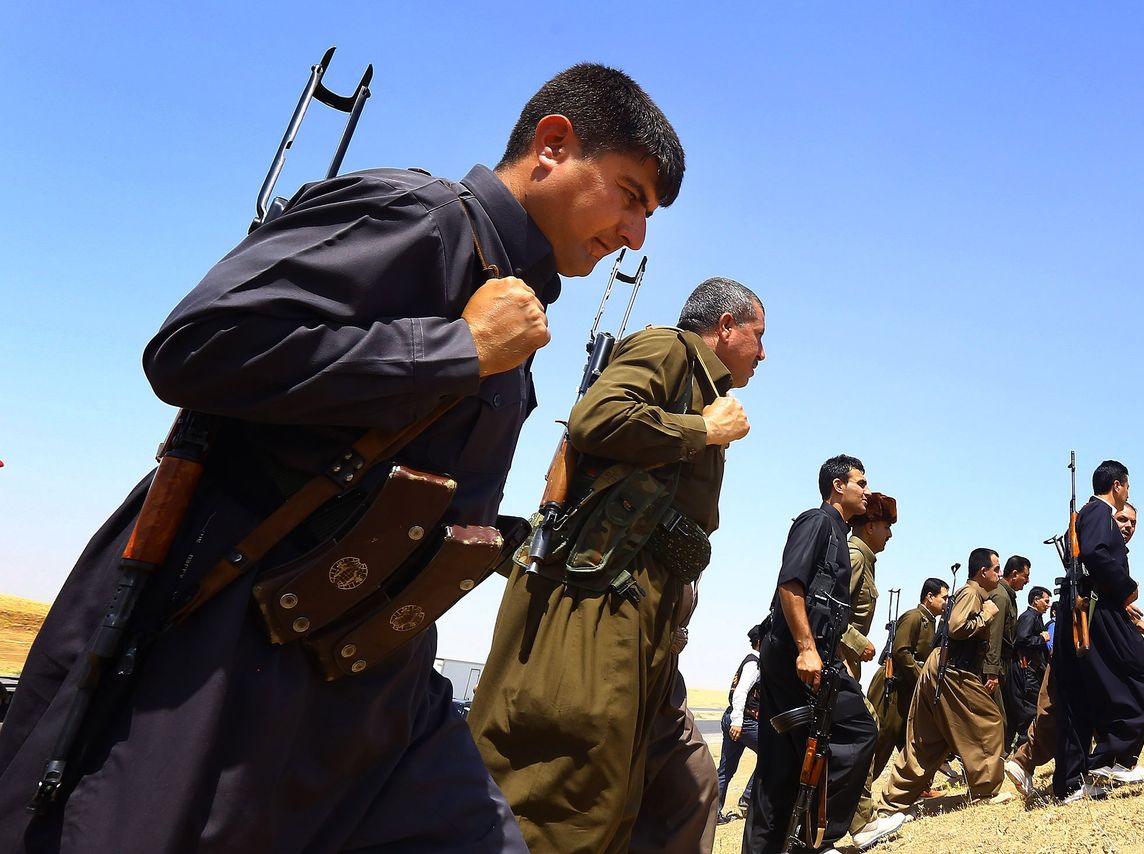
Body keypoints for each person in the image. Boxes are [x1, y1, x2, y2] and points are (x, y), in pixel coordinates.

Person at [0, 64, 685, 854]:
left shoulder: (514, 298)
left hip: (382, 692)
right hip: (230, 662)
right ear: (553, 146)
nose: (636, 235)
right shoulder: (422, 216)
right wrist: (455, 348)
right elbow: (198, 344)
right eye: (631, 195)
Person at [469, 277, 764, 853]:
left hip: (648, 607)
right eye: (758, 336)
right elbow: (596, 418)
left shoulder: (700, 381)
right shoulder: (670, 349)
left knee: (679, 787)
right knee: (575, 777)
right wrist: (703, 429)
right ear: (724, 327)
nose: (763, 353)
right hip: (603, 593)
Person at [744, 455, 899, 853]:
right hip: (798, 660)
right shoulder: (815, 522)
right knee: (859, 731)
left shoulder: (840, 535)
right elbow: (789, 585)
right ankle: (818, 840)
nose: (867, 492)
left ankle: (798, 840)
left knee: (782, 770)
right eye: (860, 483)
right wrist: (806, 650)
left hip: (819, 661)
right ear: (837, 486)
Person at [1006, 502, 1144, 800]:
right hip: (1076, 640)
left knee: (1069, 705)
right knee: (1061, 705)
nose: (1127, 526)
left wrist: (1129, 613)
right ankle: (1035, 762)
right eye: (1121, 519)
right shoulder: (1097, 543)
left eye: (1133, 522)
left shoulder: (1107, 555)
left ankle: (1073, 773)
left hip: (1080, 638)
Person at [1052, 461, 1144, 801]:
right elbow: (1098, 556)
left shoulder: (1087, 513)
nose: (1127, 493)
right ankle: (1112, 759)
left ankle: (1071, 784)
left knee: (1079, 700)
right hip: (1097, 611)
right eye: (1127, 486)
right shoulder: (1100, 512)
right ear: (1118, 485)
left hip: (1086, 610)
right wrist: (1127, 588)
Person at [869, 548, 1006, 820]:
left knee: (926, 743)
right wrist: (986, 615)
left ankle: (891, 803)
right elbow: (956, 627)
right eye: (996, 569)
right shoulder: (972, 593)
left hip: (943, 670)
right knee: (989, 721)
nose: (999, 574)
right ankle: (986, 789)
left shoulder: (973, 594)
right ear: (983, 572)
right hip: (950, 670)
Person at [853, 577, 948, 830]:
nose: (946, 602)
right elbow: (900, 651)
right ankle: (856, 802)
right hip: (892, 687)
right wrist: (922, 678)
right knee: (880, 742)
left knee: (912, 741)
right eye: (943, 597)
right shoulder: (914, 617)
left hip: (907, 691)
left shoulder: (932, 621)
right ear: (929, 597)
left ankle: (916, 790)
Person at [838, 493, 897, 681]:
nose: (890, 534)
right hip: (839, 661)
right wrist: (859, 643)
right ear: (870, 527)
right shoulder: (854, 557)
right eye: (886, 527)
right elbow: (828, 614)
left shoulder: (865, 559)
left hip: (847, 663)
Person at [716, 622, 765, 823]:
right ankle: (747, 798)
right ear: (761, 642)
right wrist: (737, 721)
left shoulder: (753, 661)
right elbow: (741, 692)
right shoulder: (755, 663)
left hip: (736, 719)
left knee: (726, 769)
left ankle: (712, 813)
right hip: (743, 721)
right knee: (772, 753)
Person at [985, 555, 1030, 752]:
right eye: (1025, 576)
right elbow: (993, 638)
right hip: (994, 667)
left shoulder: (1007, 595)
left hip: (1002, 665)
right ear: (1014, 574)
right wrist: (992, 672)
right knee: (996, 719)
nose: (1027, 581)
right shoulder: (1001, 597)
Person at [1008, 584, 1051, 748]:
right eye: (1045, 601)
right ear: (1036, 600)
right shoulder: (1029, 617)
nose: (1047, 605)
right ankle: (1022, 752)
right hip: (1027, 673)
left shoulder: (1036, 617)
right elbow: (1022, 640)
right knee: (1029, 712)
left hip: (1033, 671)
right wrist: (1042, 638)